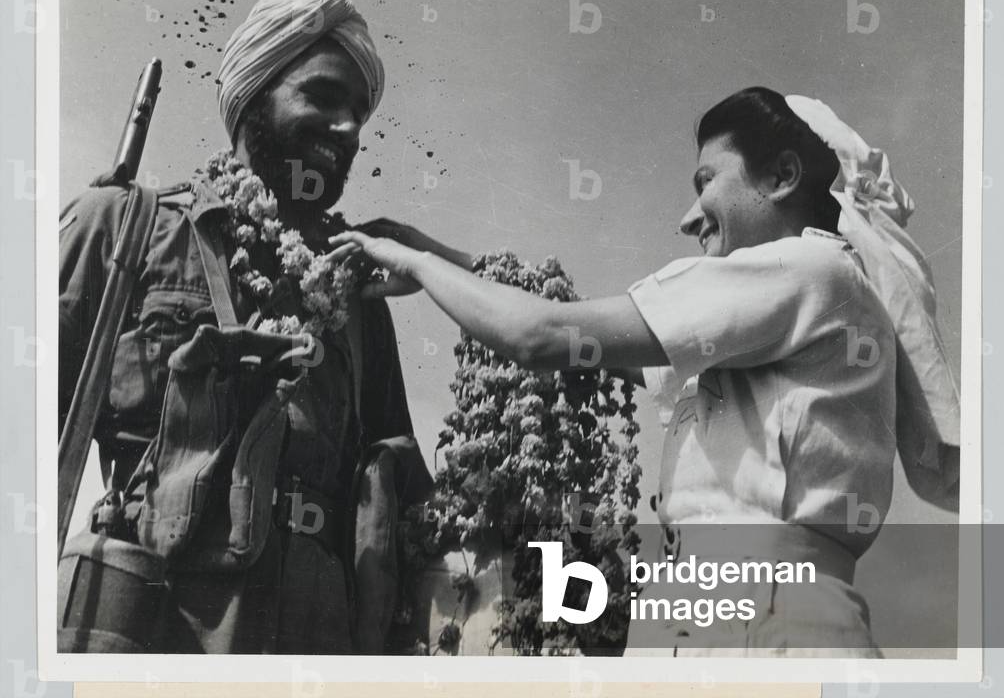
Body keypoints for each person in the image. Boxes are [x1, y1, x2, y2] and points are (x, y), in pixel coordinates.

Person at [329, 87, 960, 656]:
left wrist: (415, 264)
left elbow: (542, 334)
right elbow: (581, 329)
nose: (689, 219)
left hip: (768, 628)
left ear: (782, 176)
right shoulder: (774, 313)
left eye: (706, 181)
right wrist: (444, 255)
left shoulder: (805, 270)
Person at [59, 0, 432, 654]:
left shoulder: (355, 295)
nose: (347, 126)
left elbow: (398, 509)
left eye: (358, 111)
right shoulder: (122, 228)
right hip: (148, 623)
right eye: (322, 97)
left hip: (317, 643)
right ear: (256, 98)